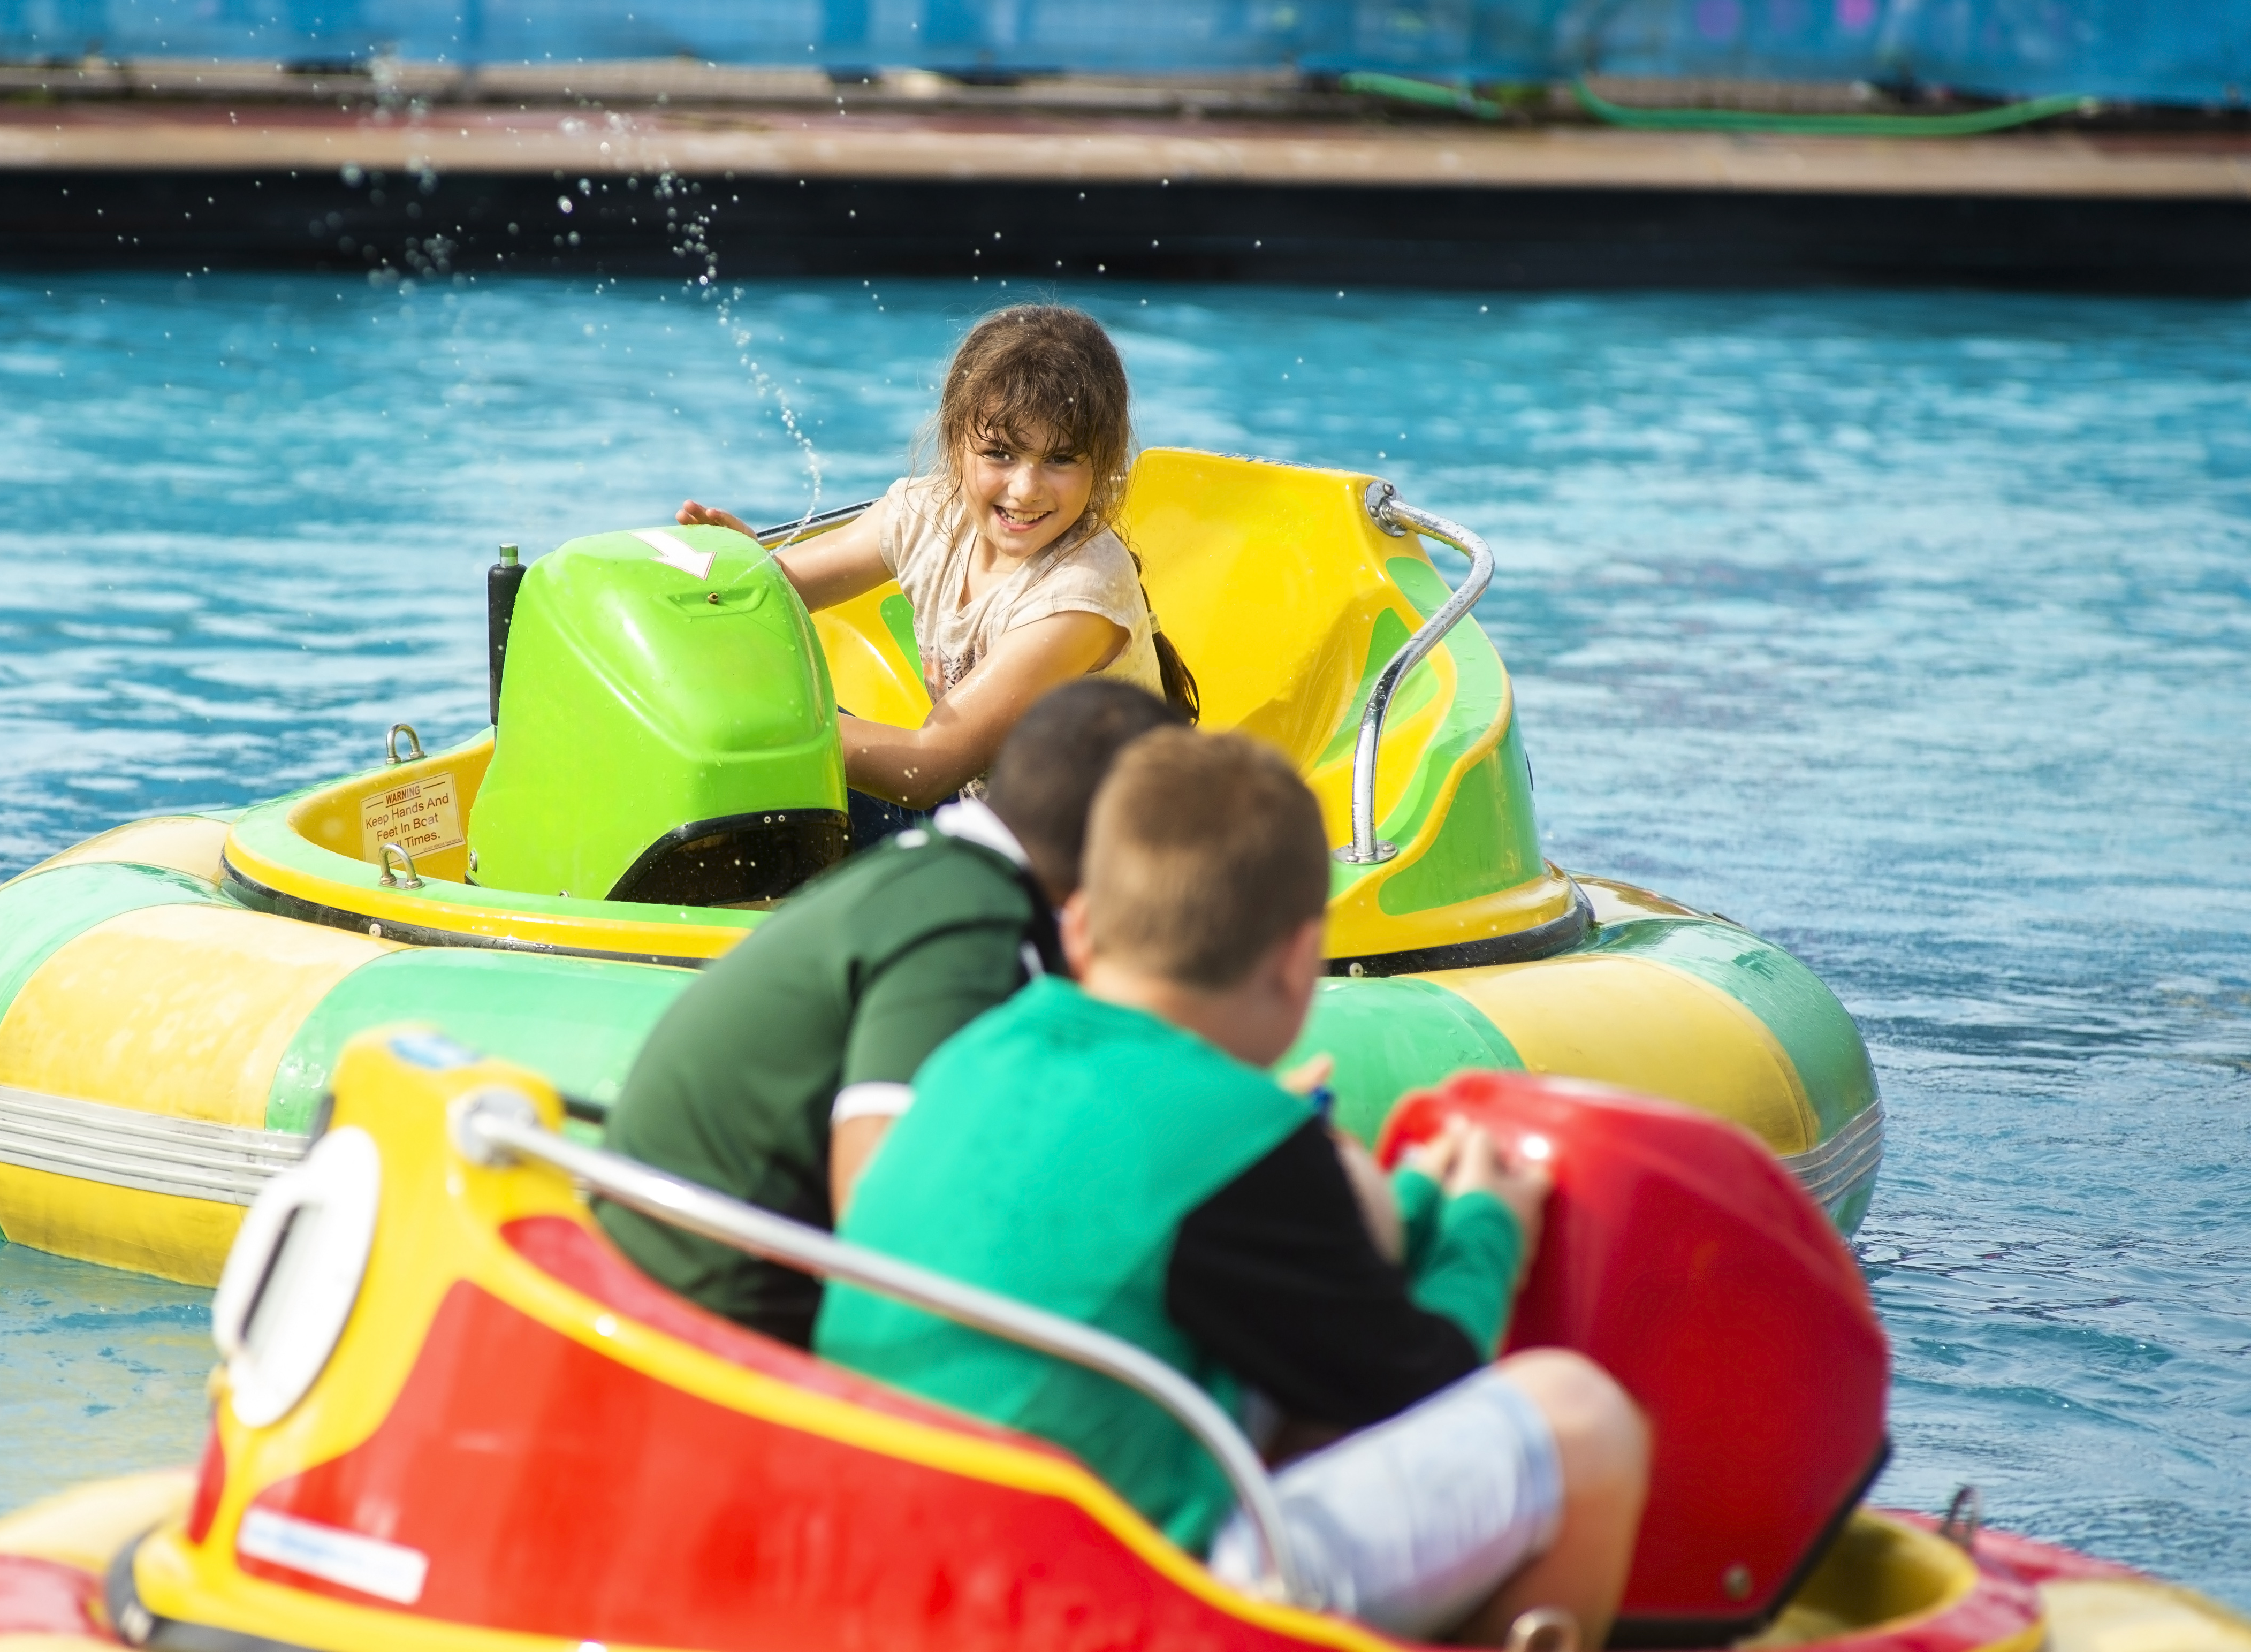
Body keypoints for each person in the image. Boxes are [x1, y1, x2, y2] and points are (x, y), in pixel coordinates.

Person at [815, 730, 1651, 1646]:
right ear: (1297, 964)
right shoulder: (1241, 1136)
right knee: (1582, 1421)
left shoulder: (978, 1051)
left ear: (1080, 927)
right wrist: (1485, 1228)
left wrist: (1411, 1204)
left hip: (897, 1551)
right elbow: (1423, 1382)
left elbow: (1284, 1301)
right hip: (1081, 1598)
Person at [597, 678, 1182, 1348]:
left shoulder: (938, 877)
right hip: (715, 1318)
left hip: (677, 1269)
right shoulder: (967, 921)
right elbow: (882, 1215)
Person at [675, 303, 1189, 847]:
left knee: (773, 747)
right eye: (999, 453)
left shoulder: (1079, 595)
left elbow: (924, 770)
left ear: (1101, 462)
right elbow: (774, 595)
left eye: (1060, 459)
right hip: (983, 817)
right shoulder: (929, 516)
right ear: (955, 441)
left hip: (1088, 862)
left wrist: (759, 725)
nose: (1025, 490)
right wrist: (743, 570)